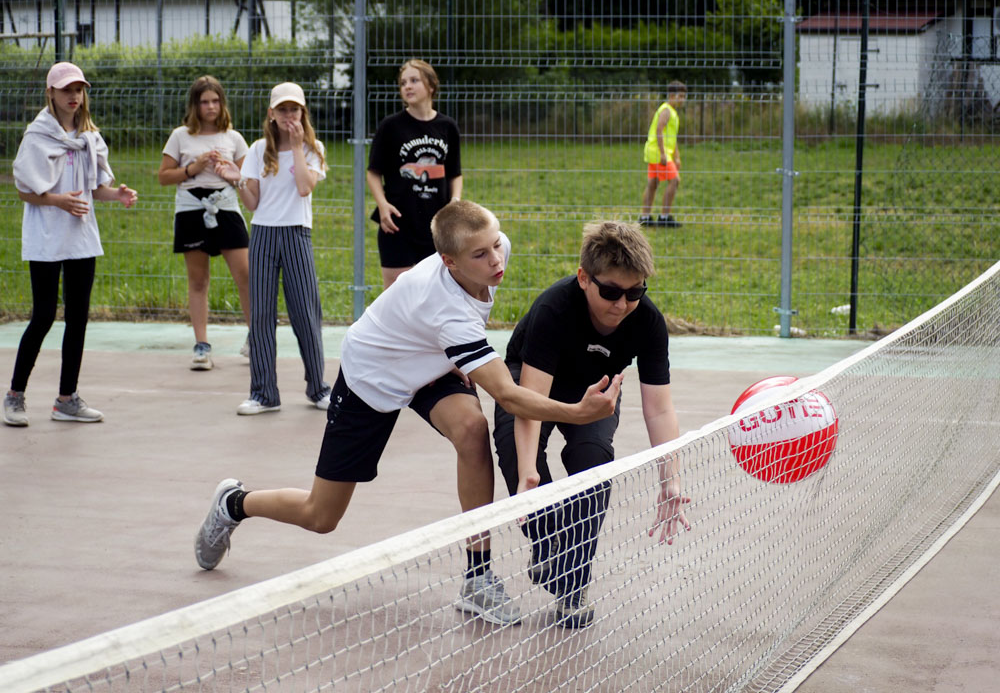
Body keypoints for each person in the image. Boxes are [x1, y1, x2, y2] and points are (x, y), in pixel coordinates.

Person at [193, 201, 624, 628]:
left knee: (472, 429)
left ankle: (477, 577)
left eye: (495, 244)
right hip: (373, 377)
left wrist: (452, 353)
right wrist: (577, 412)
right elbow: (509, 397)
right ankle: (235, 503)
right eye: (480, 254)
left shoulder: (490, 254)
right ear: (449, 261)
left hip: (430, 362)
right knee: (320, 516)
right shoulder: (446, 311)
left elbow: (450, 309)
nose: (496, 259)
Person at [492, 221, 690, 628]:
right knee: (516, 449)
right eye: (611, 292)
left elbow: (659, 409)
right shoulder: (554, 309)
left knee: (594, 461)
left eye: (635, 293)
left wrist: (670, 480)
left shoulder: (648, 322)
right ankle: (547, 539)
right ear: (584, 278)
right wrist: (527, 473)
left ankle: (574, 586)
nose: (622, 304)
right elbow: (531, 401)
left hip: (597, 389)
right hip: (532, 380)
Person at [3, 61, 137, 428]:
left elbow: (95, 189)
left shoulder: (89, 137)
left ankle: (66, 400)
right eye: (66, 90)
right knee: (44, 315)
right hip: (47, 238)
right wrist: (58, 201)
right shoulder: (37, 136)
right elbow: (24, 190)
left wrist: (117, 194)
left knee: (78, 317)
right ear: (50, 93)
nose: (74, 96)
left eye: (78, 89)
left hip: (80, 238)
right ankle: (14, 394)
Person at [213, 82, 331, 415]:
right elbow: (252, 203)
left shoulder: (313, 149)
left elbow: (305, 188)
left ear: (303, 113)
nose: (288, 115)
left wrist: (296, 147)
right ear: (271, 113)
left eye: (294, 109)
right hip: (263, 233)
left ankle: (318, 388)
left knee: (305, 313)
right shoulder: (257, 149)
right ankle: (264, 393)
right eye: (282, 109)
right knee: (261, 314)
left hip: (296, 233)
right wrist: (236, 179)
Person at [158, 75, 251, 371]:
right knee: (198, 280)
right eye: (204, 102)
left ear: (222, 103)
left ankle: (257, 338)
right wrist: (193, 168)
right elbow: (164, 176)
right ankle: (201, 345)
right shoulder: (180, 136)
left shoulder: (233, 138)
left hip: (226, 207)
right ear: (194, 105)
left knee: (246, 276)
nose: (210, 107)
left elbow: (248, 179)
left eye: (215, 101)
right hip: (191, 210)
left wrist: (229, 173)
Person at [367, 59, 461, 288]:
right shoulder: (390, 126)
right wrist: (382, 205)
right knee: (397, 294)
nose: (407, 86)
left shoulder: (447, 126)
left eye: (414, 80)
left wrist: (455, 202)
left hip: (436, 225)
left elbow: (454, 173)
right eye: (403, 83)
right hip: (397, 223)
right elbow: (373, 173)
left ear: (431, 86)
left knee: (436, 292)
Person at [640, 81, 687, 229]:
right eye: (680, 96)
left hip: (655, 152)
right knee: (674, 180)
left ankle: (645, 217)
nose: (683, 99)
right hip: (659, 152)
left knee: (653, 184)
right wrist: (662, 153)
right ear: (672, 96)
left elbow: (671, 137)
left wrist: (676, 155)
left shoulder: (671, 111)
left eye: (684, 96)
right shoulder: (666, 111)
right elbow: (659, 130)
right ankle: (664, 217)